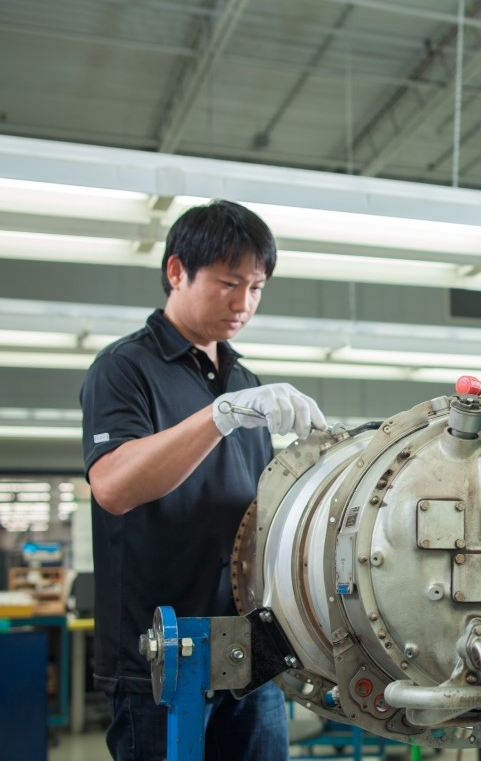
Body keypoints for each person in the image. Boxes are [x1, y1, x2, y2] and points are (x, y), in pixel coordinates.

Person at [81, 199, 326, 761]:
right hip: (160, 657)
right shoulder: (124, 369)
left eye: (258, 287)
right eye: (228, 283)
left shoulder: (244, 379)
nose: (244, 303)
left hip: (249, 650)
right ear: (176, 272)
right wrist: (219, 417)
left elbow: (257, 514)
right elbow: (114, 487)